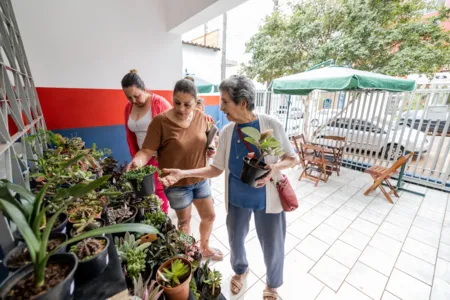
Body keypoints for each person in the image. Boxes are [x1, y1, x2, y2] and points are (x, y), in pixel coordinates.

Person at [160, 75, 297, 300]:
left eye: (225, 102)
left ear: (242, 102)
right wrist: (182, 173)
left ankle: (272, 285)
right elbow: (215, 169)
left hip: (267, 199)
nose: (221, 107)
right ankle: (240, 270)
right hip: (237, 199)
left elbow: (291, 158)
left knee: (273, 243)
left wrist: (274, 168)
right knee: (235, 239)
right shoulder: (227, 132)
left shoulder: (270, 124)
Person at [126, 78, 223, 261]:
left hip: (200, 179)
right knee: (184, 222)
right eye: (177, 102)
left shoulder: (202, 117)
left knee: (209, 216)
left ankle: (204, 247)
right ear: (172, 98)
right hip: (176, 183)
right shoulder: (160, 122)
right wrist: (137, 161)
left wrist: (211, 146)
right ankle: (189, 254)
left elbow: (208, 139)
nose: (181, 109)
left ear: (196, 102)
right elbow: (147, 150)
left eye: (188, 104)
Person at [122, 69, 171, 213]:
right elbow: (130, 134)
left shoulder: (159, 103)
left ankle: (163, 225)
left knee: (160, 196)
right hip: (141, 158)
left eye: (136, 96)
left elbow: (175, 130)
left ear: (144, 89)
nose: (133, 101)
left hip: (159, 158)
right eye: (129, 97)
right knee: (145, 197)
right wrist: (136, 158)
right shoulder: (128, 108)